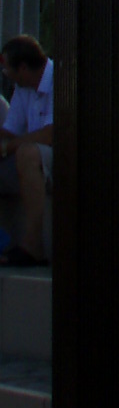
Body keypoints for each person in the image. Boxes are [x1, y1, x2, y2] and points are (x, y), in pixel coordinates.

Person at [0, 36, 53, 267]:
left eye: (7, 69)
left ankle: (33, 245)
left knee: (27, 153)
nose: (5, 74)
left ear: (22, 68)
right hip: (32, 161)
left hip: (64, 159)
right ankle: (4, 242)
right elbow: (11, 132)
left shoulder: (59, 78)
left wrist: (9, 146)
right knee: (25, 153)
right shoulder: (23, 89)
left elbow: (53, 134)